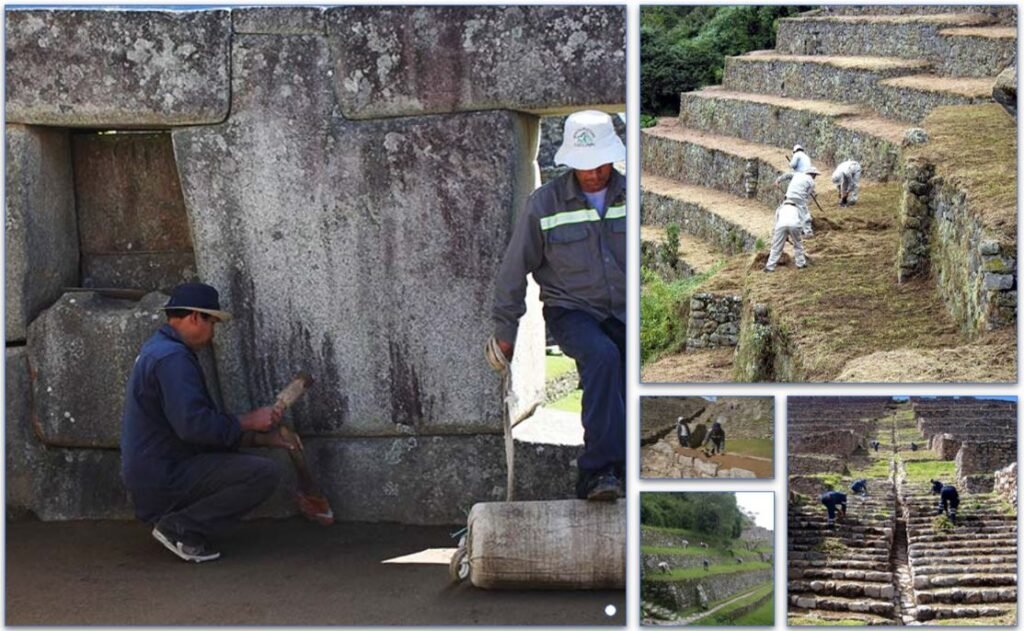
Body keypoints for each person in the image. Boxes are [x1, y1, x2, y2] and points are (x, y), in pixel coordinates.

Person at [491, 110, 626, 501]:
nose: (592, 174)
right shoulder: (544, 205)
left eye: (598, 164)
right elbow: (513, 271)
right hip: (572, 310)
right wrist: (505, 331)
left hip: (625, 309)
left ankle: (633, 463)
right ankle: (598, 472)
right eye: (583, 166)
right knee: (602, 357)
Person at [120, 283, 303, 563]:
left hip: (155, 472)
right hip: (162, 476)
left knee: (245, 464)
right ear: (195, 317)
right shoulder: (173, 359)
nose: (213, 333)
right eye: (212, 323)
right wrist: (248, 420)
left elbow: (197, 430)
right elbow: (194, 427)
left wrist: (262, 438)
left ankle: (178, 522)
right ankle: (181, 528)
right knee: (262, 473)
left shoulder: (159, 349)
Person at [763, 198, 807, 272]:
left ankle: (770, 267)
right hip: (794, 225)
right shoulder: (797, 208)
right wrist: (802, 231)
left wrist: (778, 235)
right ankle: (801, 264)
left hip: (781, 225)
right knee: (798, 244)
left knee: (776, 247)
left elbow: (776, 222)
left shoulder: (780, 208)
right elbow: (802, 221)